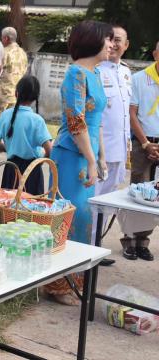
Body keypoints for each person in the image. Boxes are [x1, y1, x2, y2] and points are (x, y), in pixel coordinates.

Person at [45, 20, 113, 306]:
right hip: (71, 157)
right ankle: (58, 286)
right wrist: (90, 158)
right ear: (92, 41)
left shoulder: (95, 73)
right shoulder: (76, 75)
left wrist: (101, 156)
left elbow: (96, 122)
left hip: (87, 156)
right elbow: (76, 123)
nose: (112, 45)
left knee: (84, 220)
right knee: (68, 220)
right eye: (108, 40)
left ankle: (77, 281)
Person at [91, 26, 131, 266]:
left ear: (127, 45)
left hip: (120, 151)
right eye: (111, 40)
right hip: (101, 151)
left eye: (119, 41)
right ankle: (88, 248)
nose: (114, 45)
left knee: (107, 203)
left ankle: (96, 247)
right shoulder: (96, 71)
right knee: (94, 201)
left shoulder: (126, 73)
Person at [122, 40, 159, 261]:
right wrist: (146, 144)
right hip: (142, 143)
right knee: (137, 193)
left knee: (155, 196)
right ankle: (128, 240)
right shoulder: (138, 79)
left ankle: (143, 241)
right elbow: (132, 113)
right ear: (155, 54)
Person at [0, 75, 52, 195]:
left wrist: (8, 148)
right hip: (32, 171)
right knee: (31, 206)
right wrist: (41, 158)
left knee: (9, 205)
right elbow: (49, 149)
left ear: (16, 93)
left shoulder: (5, 115)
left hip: (10, 169)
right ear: (35, 98)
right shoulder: (37, 120)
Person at [0, 26, 28, 120]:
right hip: (16, 95)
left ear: (6, 38)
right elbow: (24, 72)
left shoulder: (3, 52)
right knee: (11, 124)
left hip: (2, 96)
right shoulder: (23, 53)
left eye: (2, 38)